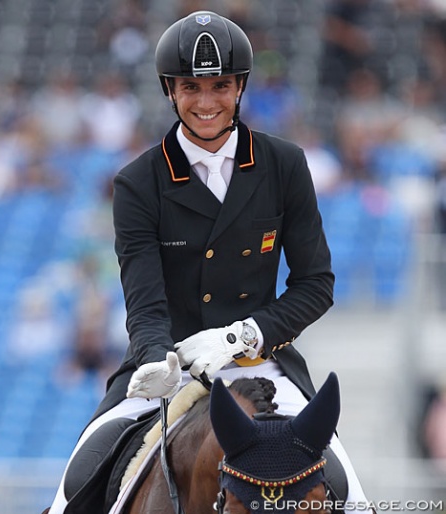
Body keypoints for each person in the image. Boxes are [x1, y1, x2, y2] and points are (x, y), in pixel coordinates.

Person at [46, 11, 373, 514]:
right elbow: (144, 299)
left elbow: (315, 284)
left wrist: (241, 336)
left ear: (240, 87)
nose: (205, 103)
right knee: (77, 487)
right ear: (169, 91)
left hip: (260, 363)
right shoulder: (138, 182)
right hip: (168, 371)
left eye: (220, 86)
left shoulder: (283, 164)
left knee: (353, 495)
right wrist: (157, 357)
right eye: (190, 87)